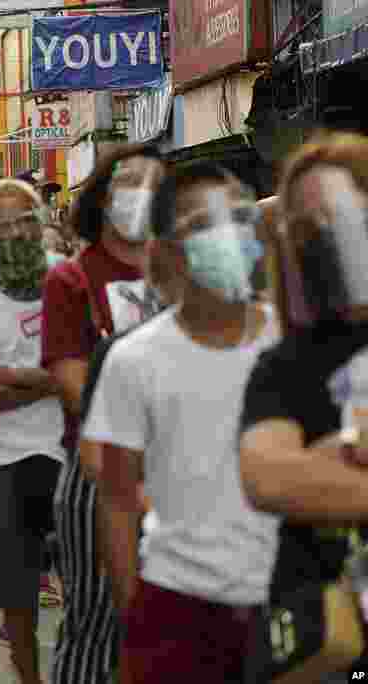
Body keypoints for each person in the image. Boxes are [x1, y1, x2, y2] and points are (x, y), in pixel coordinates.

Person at [85, 163, 279, 683]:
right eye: (202, 225)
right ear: (169, 248)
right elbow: (118, 496)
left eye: (236, 217)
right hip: (179, 601)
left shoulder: (297, 343)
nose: (225, 235)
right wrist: (135, 615)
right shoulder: (133, 360)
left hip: (290, 595)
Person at [238, 132, 368, 683]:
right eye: (305, 225)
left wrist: (326, 457)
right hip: (326, 646)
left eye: (339, 215)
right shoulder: (285, 364)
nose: (322, 236)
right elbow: (270, 478)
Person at [42, 145, 164, 684]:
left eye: (154, 184)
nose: (141, 194)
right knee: (95, 620)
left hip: (183, 469)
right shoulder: (72, 280)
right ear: (102, 195)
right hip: (102, 466)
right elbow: (73, 384)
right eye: (129, 182)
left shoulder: (182, 273)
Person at [0, 180, 65, 683]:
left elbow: (92, 366)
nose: (15, 231)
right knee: (16, 603)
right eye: (0, 224)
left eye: (24, 218)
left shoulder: (69, 280)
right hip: (6, 462)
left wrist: (18, 375)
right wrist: (54, 378)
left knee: (94, 591)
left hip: (75, 456)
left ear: (41, 221)